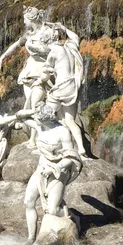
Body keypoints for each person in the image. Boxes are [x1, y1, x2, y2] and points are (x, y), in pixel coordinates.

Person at [17, 103, 83, 245]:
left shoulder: (62, 131)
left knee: (52, 211)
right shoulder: (39, 126)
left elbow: (71, 157)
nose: (34, 119)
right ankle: (30, 238)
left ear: (46, 119)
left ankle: (71, 216)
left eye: (37, 117)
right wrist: (34, 109)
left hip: (58, 171)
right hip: (41, 169)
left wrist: (54, 168)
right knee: (28, 201)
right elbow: (19, 116)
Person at [0, 7, 51, 148]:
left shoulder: (47, 32)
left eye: (25, 19)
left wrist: (37, 49)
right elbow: (16, 44)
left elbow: (53, 49)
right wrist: (3, 56)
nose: (24, 22)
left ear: (32, 19)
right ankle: (34, 137)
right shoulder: (29, 34)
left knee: (35, 105)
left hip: (42, 70)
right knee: (30, 104)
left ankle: (35, 139)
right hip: (30, 70)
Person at [39, 23, 92, 161]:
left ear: (45, 41)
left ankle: (46, 144)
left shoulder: (53, 52)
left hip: (61, 88)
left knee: (43, 115)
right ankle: (81, 149)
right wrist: (63, 27)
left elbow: (45, 76)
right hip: (73, 87)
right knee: (70, 120)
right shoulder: (70, 46)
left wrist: (38, 80)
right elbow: (75, 37)